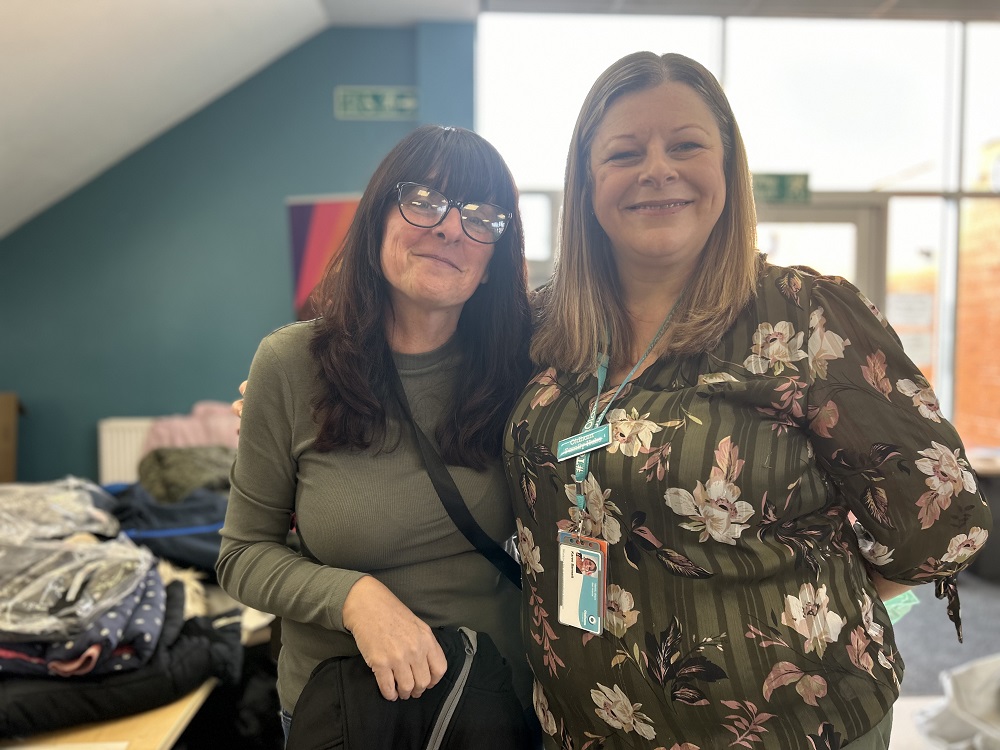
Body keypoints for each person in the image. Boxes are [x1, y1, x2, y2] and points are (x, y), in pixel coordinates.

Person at [505, 52, 992, 749]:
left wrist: (824, 597)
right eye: (623, 152)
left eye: (685, 145)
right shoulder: (548, 323)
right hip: (585, 725)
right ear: (586, 183)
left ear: (729, 172)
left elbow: (943, 517)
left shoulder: (802, 316)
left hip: (792, 728)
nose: (656, 169)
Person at [216, 124, 536, 743]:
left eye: (481, 216)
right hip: (343, 707)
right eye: (424, 200)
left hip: (489, 703)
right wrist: (353, 598)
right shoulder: (291, 365)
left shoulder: (526, 369)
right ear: (377, 219)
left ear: (495, 259)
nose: (449, 228)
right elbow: (240, 555)